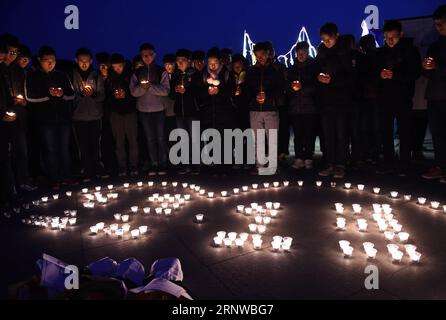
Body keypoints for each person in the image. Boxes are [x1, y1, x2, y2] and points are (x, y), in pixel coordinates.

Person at [25, 46, 75, 189]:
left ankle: (66, 176)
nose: (50, 63)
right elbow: (30, 97)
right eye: (47, 60)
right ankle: (53, 178)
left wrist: (62, 94)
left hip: (63, 118)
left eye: (53, 60)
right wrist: (48, 95)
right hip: (45, 119)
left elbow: (71, 94)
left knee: (64, 148)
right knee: (50, 149)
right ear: (40, 60)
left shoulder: (61, 75)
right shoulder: (33, 76)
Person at [375, 20, 421, 176]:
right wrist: (379, 75)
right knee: (385, 131)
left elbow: (415, 73)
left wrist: (395, 75)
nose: (389, 40)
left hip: (403, 96)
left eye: (392, 37)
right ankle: (388, 161)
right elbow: (373, 72)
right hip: (384, 98)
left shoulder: (410, 51)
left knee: (405, 131)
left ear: (400, 35)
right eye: (386, 37)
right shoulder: (381, 53)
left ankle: (404, 163)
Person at [316, 23, 353, 179]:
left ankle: (341, 165)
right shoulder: (321, 51)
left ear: (336, 36)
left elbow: (351, 76)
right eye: (323, 40)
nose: (326, 42)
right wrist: (318, 77)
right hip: (326, 100)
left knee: (341, 134)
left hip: (341, 100)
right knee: (328, 134)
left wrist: (333, 80)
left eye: (328, 39)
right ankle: (330, 163)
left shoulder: (345, 52)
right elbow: (316, 70)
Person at [0, 35, 37, 191]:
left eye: (15, 52)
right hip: (3, 118)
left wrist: (23, 102)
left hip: (19, 117)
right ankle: (9, 187)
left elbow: (25, 92)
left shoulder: (19, 71)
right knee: (3, 155)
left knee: (21, 151)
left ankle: (23, 181)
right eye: (9, 51)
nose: (12, 55)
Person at [245, 42, 285, 175]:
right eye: (257, 55)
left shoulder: (276, 69)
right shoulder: (251, 71)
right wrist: (253, 97)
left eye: (262, 54)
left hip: (271, 108)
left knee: (272, 137)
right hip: (255, 109)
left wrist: (268, 96)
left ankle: (273, 165)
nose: (260, 57)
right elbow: (248, 89)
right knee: (258, 138)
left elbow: (281, 88)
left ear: (268, 53)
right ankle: (259, 165)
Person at [130, 43, 170, 176]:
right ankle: (154, 163)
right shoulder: (137, 72)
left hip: (158, 109)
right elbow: (133, 92)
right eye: (144, 55)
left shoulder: (160, 71)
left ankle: (163, 163)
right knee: (150, 138)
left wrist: (151, 87)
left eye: (150, 55)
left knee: (160, 137)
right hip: (143, 110)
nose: (147, 57)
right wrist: (142, 88)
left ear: (155, 55)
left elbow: (165, 90)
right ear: (141, 56)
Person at [197, 47, 236, 175]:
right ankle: (213, 165)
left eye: (215, 62)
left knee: (225, 139)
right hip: (209, 112)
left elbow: (231, 91)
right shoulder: (203, 74)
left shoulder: (226, 73)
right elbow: (198, 92)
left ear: (220, 61)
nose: (212, 65)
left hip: (224, 112)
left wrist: (219, 92)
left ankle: (226, 167)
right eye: (210, 63)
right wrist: (207, 92)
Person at [72, 48, 107, 182]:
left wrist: (93, 95)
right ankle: (86, 169)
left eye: (87, 61)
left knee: (95, 144)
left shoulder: (96, 76)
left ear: (91, 61)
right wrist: (80, 94)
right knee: (82, 145)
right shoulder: (72, 75)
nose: (84, 64)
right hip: (78, 116)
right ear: (77, 60)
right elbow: (70, 95)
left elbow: (102, 95)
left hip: (95, 115)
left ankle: (97, 168)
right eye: (81, 61)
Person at [421, 5, 446, 182]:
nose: (440, 27)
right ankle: (440, 166)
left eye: (443, 23)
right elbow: (428, 72)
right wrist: (427, 68)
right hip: (435, 95)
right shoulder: (435, 45)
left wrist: (439, 67)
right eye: (437, 24)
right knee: (437, 133)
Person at [287, 41, 320, 170]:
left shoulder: (314, 67)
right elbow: (286, 86)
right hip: (295, 107)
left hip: (310, 106)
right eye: (299, 53)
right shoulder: (292, 68)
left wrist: (303, 88)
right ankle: (299, 157)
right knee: (298, 134)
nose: (301, 55)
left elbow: (317, 86)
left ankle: (308, 157)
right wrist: (291, 87)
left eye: (304, 52)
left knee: (309, 133)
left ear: (308, 52)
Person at [106, 53, 138, 177]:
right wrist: (114, 97)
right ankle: (122, 166)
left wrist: (127, 96)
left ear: (124, 64)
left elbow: (136, 93)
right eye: (115, 66)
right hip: (116, 113)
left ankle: (134, 165)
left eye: (119, 66)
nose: (117, 69)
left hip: (130, 111)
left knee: (132, 140)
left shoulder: (131, 76)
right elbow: (106, 97)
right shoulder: (109, 79)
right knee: (118, 141)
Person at [169, 49, 200, 174]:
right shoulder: (175, 75)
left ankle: (196, 164)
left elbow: (199, 92)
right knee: (183, 138)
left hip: (192, 111)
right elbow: (170, 94)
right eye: (178, 60)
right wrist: (176, 91)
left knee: (195, 138)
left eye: (183, 60)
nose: (180, 63)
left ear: (189, 61)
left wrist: (186, 91)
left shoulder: (195, 74)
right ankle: (185, 163)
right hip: (179, 112)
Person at [231, 53, 251, 170]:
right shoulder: (231, 77)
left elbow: (251, 91)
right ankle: (238, 159)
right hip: (234, 110)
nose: (237, 68)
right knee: (237, 135)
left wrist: (243, 92)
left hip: (246, 109)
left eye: (239, 66)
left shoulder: (247, 76)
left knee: (247, 135)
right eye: (235, 66)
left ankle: (248, 160)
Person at [163, 53, 177, 153]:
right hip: (164, 110)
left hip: (176, 111)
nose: (169, 66)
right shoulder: (162, 77)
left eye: (171, 64)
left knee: (176, 135)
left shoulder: (177, 76)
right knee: (167, 135)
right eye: (166, 64)